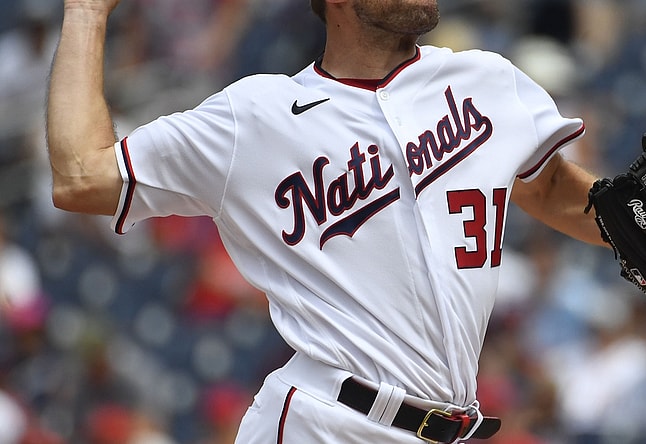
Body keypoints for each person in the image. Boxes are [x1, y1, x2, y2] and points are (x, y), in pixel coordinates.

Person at [46, 0, 609, 442]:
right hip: (326, 422)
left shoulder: (486, 80)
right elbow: (81, 177)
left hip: (443, 429)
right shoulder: (256, 118)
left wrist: (641, 233)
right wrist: (87, 12)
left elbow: (550, 186)